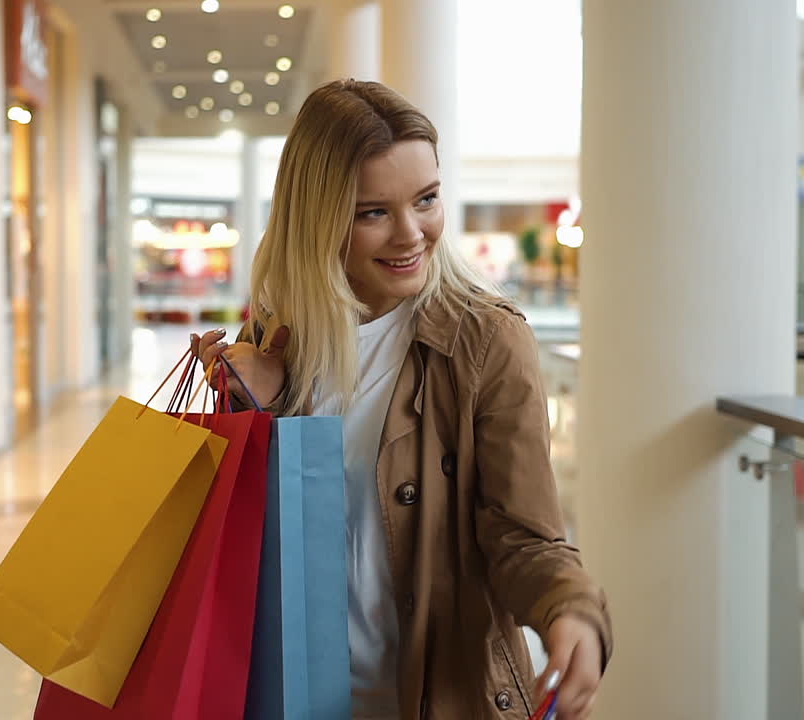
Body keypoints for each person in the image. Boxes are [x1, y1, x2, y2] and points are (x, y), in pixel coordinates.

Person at [193, 79, 610, 720]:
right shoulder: (275, 339)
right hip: (291, 695)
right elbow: (247, 545)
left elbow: (524, 536)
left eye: (427, 199)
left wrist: (571, 608)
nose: (411, 233)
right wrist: (258, 408)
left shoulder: (485, 340)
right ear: (319, 217)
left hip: (435, 697)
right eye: (373, 212)